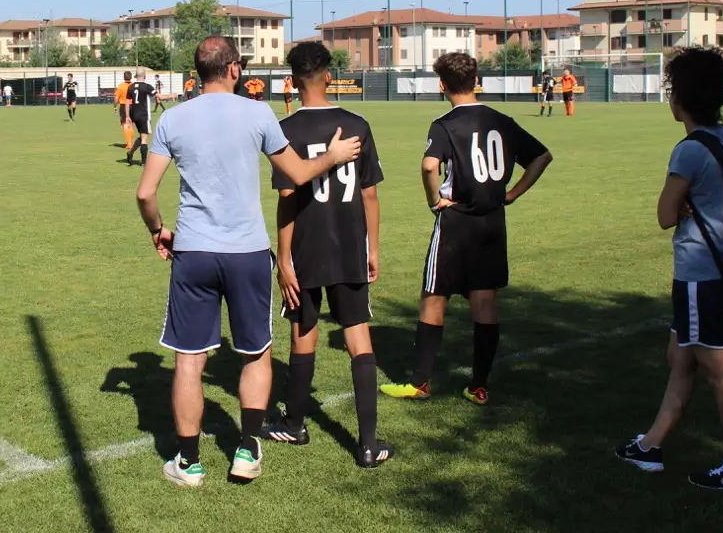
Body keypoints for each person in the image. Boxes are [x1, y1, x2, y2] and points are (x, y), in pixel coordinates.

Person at [135, 36, 362, 488]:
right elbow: (297, 173)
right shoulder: (259, 114)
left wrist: (158, 229)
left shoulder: (173, 118)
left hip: (194, 252)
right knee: (255, 353)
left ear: (198, 72)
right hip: (248, 253)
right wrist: (334, 156)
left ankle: (188, 462)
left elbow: (145, 193)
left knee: (189, 360)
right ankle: (247, 450)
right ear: (235, 69)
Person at [615, 47, 723, 493]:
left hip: (701, 274)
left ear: (679, 97)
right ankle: (650, 446)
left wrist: (680, 205)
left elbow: (665, 214)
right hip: (718, 268)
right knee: (680, 359)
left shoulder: (689, 150)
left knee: (721, 373)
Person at [380, 52, 552, 406]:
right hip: (492, 221)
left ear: (442, 85)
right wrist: (512, 193)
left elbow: (429, 166)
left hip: (455, 221)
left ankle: (419, 383)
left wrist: (434, 201)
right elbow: (542, 156)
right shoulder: (501, 120)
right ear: (476, 81)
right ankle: (479, 386)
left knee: (433, 297)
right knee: (485, 301)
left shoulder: (444, 124)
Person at [263, 42, 391, 468]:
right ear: (330, 76)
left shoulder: (285, 130)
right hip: (350, 246)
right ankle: (368, 444)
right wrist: (373, 248)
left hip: (305, 249)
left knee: (304, 332)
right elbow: (369, 195)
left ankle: (295, 423)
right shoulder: (356, 124)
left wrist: (284, 260)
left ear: (292, 81)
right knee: (357, 335)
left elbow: (287, 198)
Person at [125, 70, 156, 166]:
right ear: (145, 76)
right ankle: (144, 162)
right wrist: (171, 95)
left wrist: (127, 116)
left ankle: (130, 153)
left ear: (136, 76)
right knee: (144, 139)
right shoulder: (147, 86)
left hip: (134, 115)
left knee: (142, 136)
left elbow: (127, 102)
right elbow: (159, 96)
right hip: (144, 115)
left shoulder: (131, 87)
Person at [115, 71, 133, 150]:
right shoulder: (133, 85)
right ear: (131, 77)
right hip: (133, 106)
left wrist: (115, 105)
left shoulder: (121, 86)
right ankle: (130, 141)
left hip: (124, 105)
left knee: (125, 124)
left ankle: (129, 143)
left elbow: (116, 97)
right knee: (130, 124)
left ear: (124, 77)